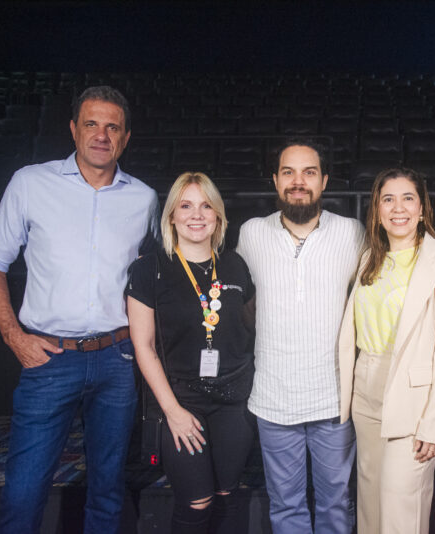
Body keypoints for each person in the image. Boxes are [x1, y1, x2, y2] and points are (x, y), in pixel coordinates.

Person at [0, 86, 159, 534]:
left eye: (112, 126)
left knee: (108, 486)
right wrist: (14, 336)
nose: (102, 135)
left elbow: (149, 278)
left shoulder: (145, 199)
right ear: (74, 129)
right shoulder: (30, 183)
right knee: (24, 487)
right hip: (48, 359)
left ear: (126, 138)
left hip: (117, 360)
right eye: (92, 124)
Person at [235, 138, 365, 533]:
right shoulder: (251, 234)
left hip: (334, 401)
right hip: (274, 399)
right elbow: (240, 303)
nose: (298, 181)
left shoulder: (353, 233)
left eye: (309, 172)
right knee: (285, 507)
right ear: (275, 181)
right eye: (288, 172)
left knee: (336, 506)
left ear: (324, 181)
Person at [338, 168, 435, 534]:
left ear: (423, 208)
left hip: (414, 404)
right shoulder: (368, 259)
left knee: (399, 514)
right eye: (388, 199)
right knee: (371, 507)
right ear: (377, 209)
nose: (398, 208)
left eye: (408, 198)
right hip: (366, 397)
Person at [126, 172, 255, 533]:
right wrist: (173, 412)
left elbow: (250, 328)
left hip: (232, 402)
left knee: (227, 494)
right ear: (171, 216)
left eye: (205, 206)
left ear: (218, 216)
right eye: (186, 206)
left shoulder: (234, 265)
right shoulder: (148, 269)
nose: (196, 215)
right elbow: (144, 347)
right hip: (181, 403)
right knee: (197, 501)